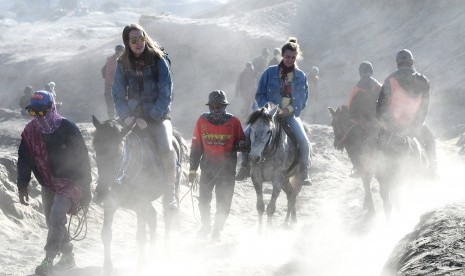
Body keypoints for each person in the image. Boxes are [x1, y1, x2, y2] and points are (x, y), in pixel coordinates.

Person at [17, 90, 92, 276]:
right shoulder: (30, 132)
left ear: (51, 108)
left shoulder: (68, 128)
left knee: (57, 214)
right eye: (33, 113)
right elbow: (24, 159)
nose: (38, 117)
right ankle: (68, 256)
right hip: (48, 182)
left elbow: (83, 159)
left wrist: (87, 189)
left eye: (41, 112)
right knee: (53, 222)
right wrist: (22, 185)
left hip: (71, 182)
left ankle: (48, 260)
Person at [111, 23, 178, 209]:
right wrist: (126, 116)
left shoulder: (158, 60)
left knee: (166, 149)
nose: (138, 43)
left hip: (158, 117)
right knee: (114, 147)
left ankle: (170, 192)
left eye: (141, 38)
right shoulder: (121, 64)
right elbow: (117, 94)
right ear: (127, 43)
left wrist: (150, 118)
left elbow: (167, 93)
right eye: (133, 40)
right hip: (131, 117)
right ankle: (117, 183)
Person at [236, 37, 312, 186]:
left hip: (289, 115)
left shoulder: (301, 76)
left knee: (304, 141)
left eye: (293, 57)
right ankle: (244, 166)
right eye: (287, 56)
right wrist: (268, 108)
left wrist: (287, 110)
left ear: (296, 57)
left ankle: (304, 171)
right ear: (282, 56)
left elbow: (302, 100)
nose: (290, 59)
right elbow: (259, 94)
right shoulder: (269, 73)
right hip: (267, 115)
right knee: (244, 135)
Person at [188, 90, 245, 242]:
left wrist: (242, 144)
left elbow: (244, 145)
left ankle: (217, 231)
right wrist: (192, 170)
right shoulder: (202, 121)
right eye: (213, 107)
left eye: (219, 107)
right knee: (203, 201)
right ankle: (206, 226)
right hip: (207, 169)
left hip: (227, 172)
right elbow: (196, 147)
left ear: (225, 107)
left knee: (224, 203)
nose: (216, 110)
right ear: (209, 107)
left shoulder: (234, 122)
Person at [376, 49, 437, 176]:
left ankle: (377, 171)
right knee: (430, 141)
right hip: (415, 126)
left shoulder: (390, 80)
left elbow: (381, 106)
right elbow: (424, 107)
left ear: (398, 63)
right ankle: (432, 171)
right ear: (412, 62)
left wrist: (384, 123)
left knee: (378, 145)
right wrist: (417, 124)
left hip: (393, 126)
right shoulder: (424, 80)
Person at [346, 61, 382, 177]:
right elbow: (386, 102)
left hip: (364, 124)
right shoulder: (379, 86)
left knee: (349, 140)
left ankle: (358, 168)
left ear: (360, 73)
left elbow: (351, 109)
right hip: (380, 123)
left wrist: (354, 118)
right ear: (371, 72)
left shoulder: (356, 88)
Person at [101, 44, 125, 119]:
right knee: (114, 102)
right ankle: (114, 119)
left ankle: (114, 118)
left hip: (111, 85)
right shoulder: (114, 61)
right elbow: (109, 73)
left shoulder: (111, 59)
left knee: (111, 102)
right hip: (113, 85)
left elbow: (104, 72)